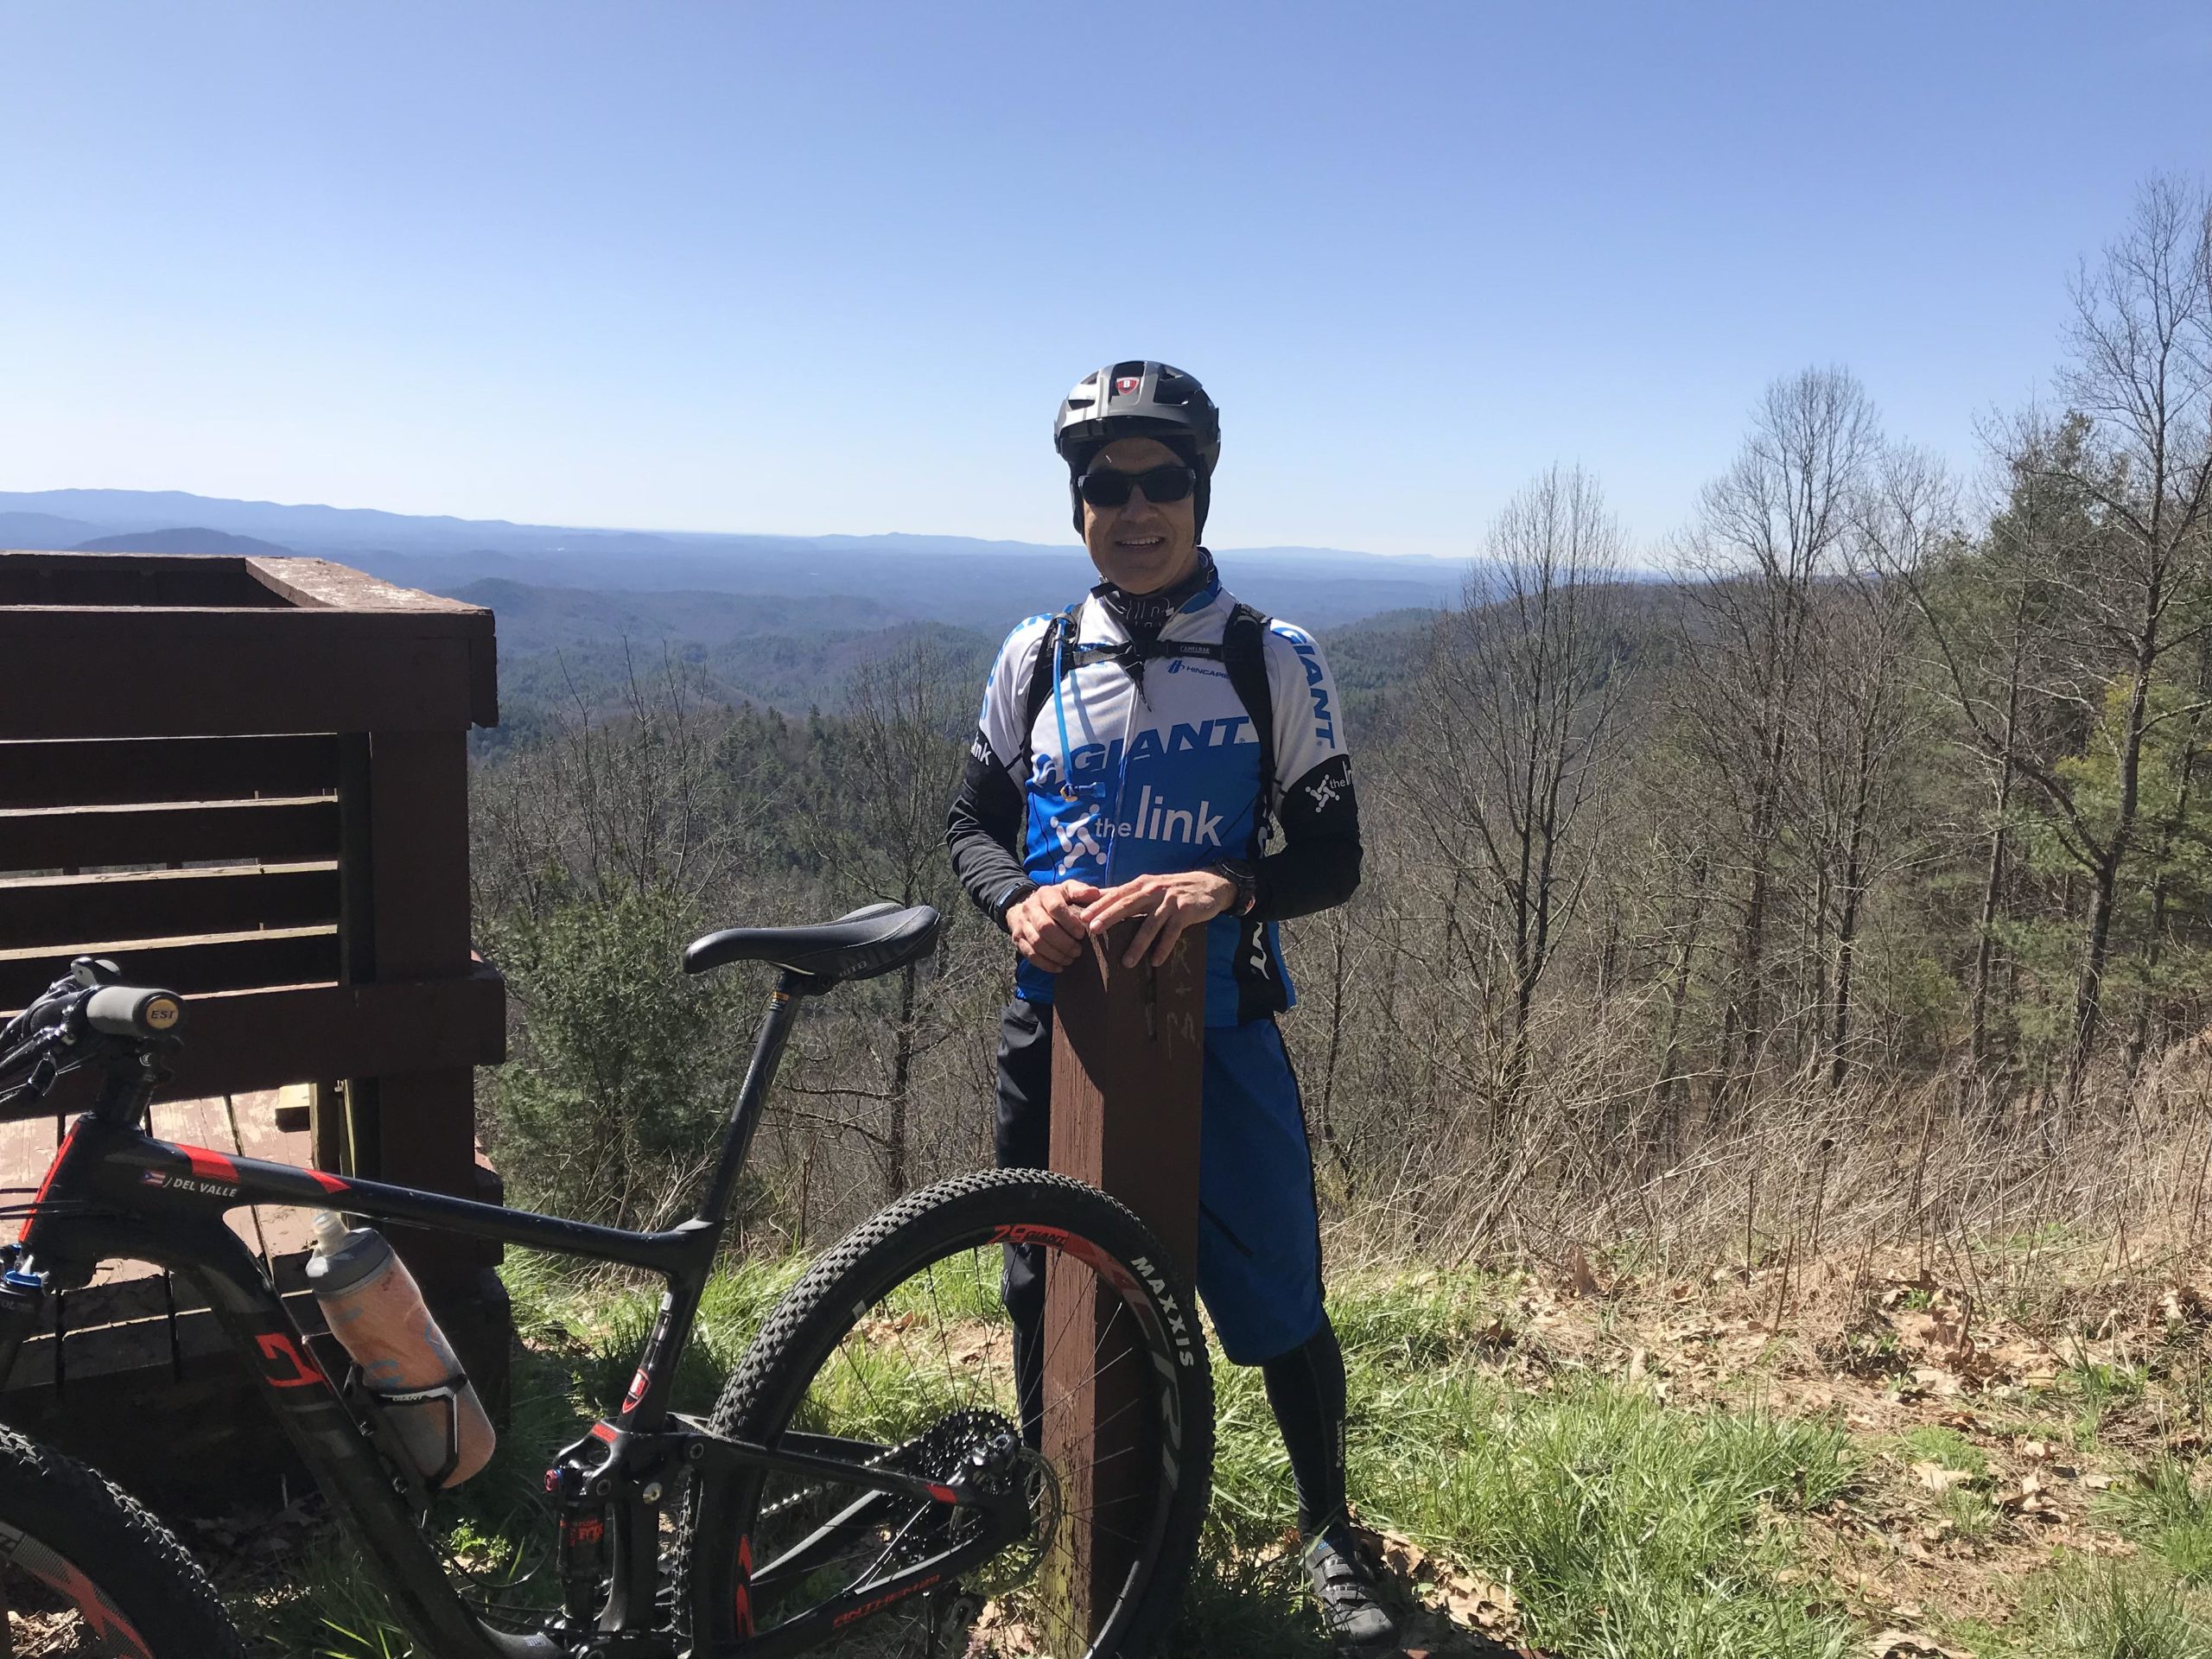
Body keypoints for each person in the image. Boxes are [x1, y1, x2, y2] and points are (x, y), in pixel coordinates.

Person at [944, 361, 1395, 1651]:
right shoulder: (1034, 657)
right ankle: (1054, 1508)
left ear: (1202, 494)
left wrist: (1231, 885)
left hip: (1220, 1025)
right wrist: (1014, 899)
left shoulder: (1271, 658)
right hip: (1058, 1027)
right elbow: (970, 825)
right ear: (1076, 505)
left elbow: (1336, 858)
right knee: (1042, 1281)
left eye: (1162, 484)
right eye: (1106, 486)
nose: (1135, 510)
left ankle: (1327, 1533)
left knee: (1278, 1290)